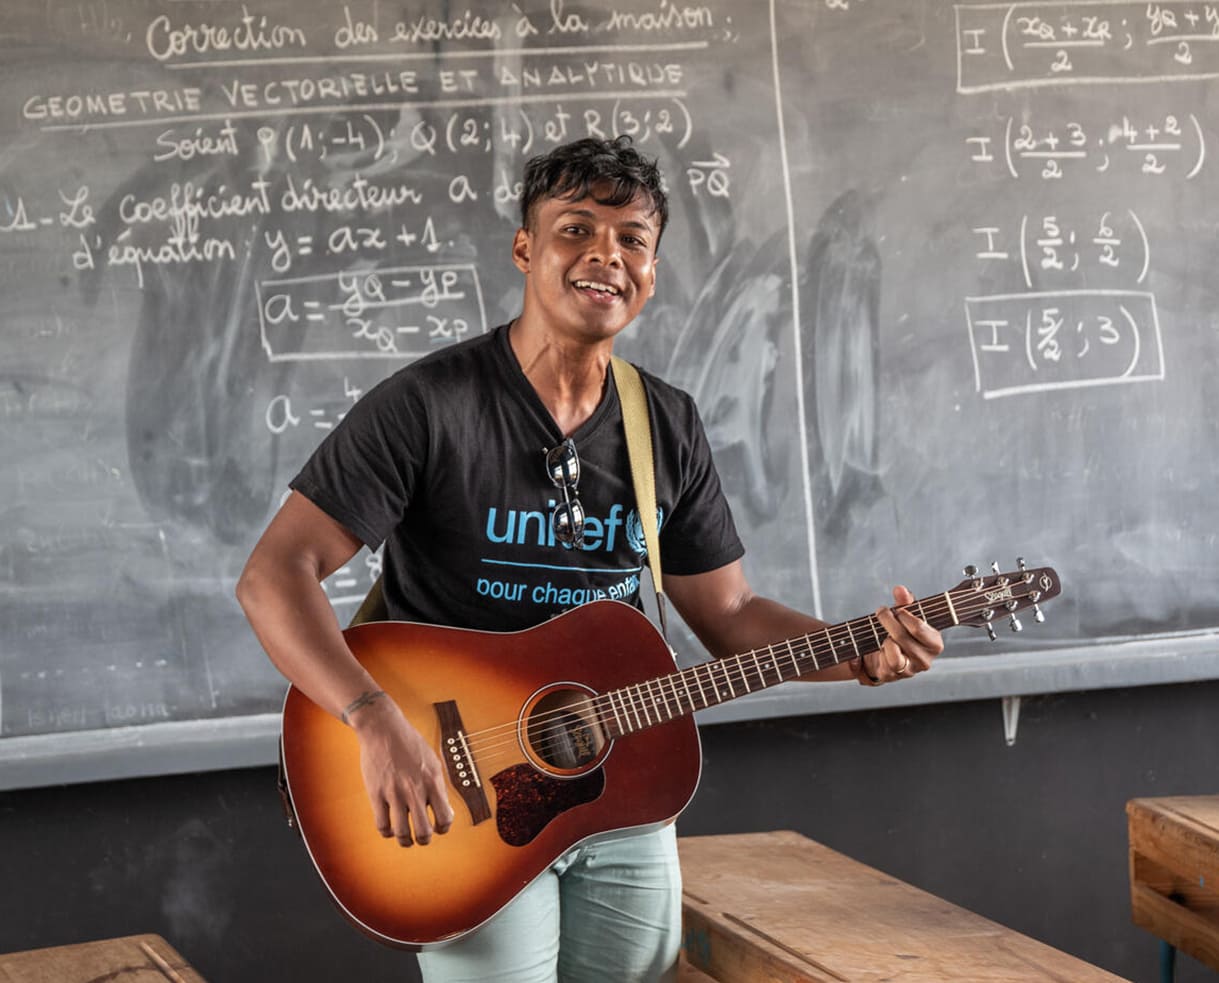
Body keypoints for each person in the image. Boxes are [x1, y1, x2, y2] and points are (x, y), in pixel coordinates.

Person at [236, 136, 944, 983]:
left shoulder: (664, 423)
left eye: (632, 239)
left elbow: (728, 614)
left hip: (617, 786)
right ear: (525, 249)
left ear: (650, 271)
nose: (606, 253)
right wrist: (371, 715)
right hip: (460, 795)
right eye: (576, 229)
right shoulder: (428, 406)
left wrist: (854, 649)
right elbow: (274, 575)